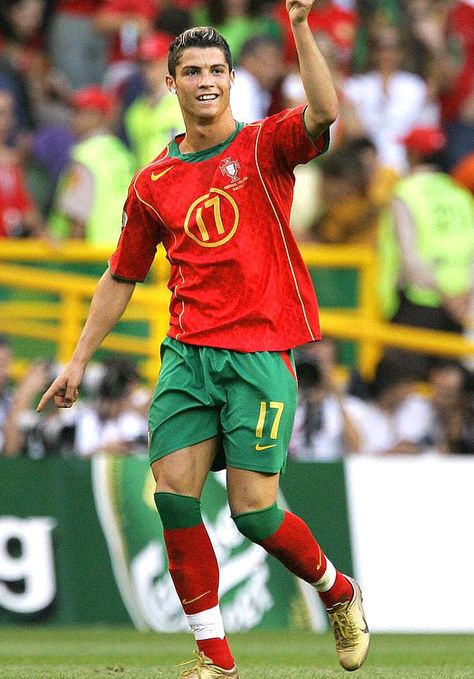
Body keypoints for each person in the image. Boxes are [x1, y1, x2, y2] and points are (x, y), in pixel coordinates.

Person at [37, 3, 370, 677]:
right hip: (189, 355)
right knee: (172, 491)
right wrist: (76, 359)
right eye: (193, 70)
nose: (207, 80)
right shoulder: (154, 181)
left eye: (218, 69)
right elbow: (120, 275)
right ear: (171, 82)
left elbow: (325, 112)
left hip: (259, 355)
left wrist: (301, 27)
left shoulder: (263, 145)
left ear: (231, 79)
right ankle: (215, 657)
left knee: (252, 512)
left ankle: (338, 590)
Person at [379, 124, 474, 381]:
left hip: (417, 301)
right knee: (448, 386)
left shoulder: (406, 193)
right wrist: (462, 296)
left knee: (400, 385)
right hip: (460, 305)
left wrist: (445, 295)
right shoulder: (460, 195)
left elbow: (409, 259)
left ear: (414, 155)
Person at [48, 85, 134, 245]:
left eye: (79, 112)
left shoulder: (85, 156)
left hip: (93, 255)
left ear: (97, 116)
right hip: (125, 251)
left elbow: (78, 220)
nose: (73, 118)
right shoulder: (122, 153)